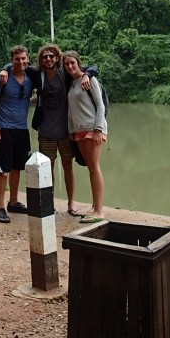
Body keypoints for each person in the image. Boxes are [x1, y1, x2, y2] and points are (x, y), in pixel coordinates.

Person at [0, 44, 91, 216]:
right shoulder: (36, 74)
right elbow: (18, 64)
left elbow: (91, 68)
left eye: (52, 56)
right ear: (41, 60)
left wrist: (86, 74)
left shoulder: (65, 74)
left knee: (68, 167)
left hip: (66, 131)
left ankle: (71, 204)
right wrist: (4, 69)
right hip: (46, 132)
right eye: (45, 57)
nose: (48, 59)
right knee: (47, 170)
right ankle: (50, 203)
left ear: (57, 58)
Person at [0, 45, 34, 224]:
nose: (20, 62)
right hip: (4, 128)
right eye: (16, 59)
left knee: (16, 167)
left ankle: (13, 201)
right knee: (3, 170)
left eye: (23, 58)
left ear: (28, 59)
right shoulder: (2, 79)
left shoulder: (31, 77)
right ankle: (0, 207)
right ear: (11, 60)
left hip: (22, 129)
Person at [63, 50, 107, 224]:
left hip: (92, 129)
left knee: (95, 167)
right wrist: (71, 131)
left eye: (72, 63)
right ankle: (95, 207)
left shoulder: (90, 79)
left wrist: (98, 129)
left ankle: (99, 211)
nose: (70, 66)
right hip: (79, 132)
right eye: (66, 64)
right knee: (91, 168)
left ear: (78, 63)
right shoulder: (72, 83)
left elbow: (100, 105)